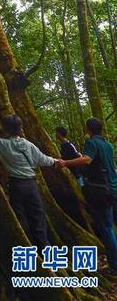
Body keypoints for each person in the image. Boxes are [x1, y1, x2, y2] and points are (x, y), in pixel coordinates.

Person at [0, 114, 60, 250]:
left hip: (16, 185)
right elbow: (42, 159)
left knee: (19, 216)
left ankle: (24, 244)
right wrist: (57, 162)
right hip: (31, 185)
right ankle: (43, 248)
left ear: (6, 129)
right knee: (37, 216)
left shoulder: (3, 144)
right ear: (20, 127)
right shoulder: (27, 145)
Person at [60, 117, 117, 275]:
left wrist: (66, 163)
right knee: (110, 224)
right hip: (112, 188)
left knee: (106, 228)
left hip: (101, 191)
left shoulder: (91, 142)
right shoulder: (108, 144)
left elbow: (87, 160)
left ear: (89, 129)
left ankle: (114, 265)